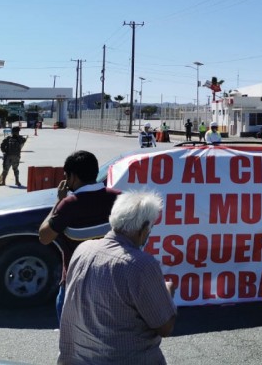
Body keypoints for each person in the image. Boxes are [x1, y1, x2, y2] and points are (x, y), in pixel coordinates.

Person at [58, 191, 177, 365]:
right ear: (144, 229)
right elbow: (165, 326)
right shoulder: (141, 264)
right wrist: (167, 292)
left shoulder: (83, 249)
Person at [39, 150, 119, 323]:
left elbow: (44, 237)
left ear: (72, 177)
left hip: (76, 285)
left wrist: (59, 202)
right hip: (112, 281)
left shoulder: (69, 205)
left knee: (71, 341)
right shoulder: (119, 197)